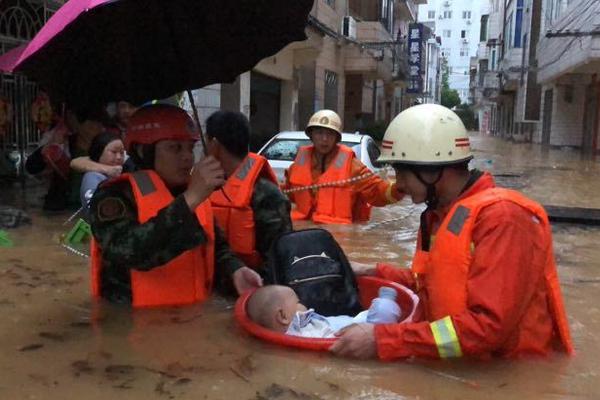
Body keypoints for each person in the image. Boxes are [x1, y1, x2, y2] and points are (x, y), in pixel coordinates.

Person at [330, 104, 574, 360]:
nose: (398, 184)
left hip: (502, 378)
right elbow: (430, 284)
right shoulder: (440, 216)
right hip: (463, 368)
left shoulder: (502, 218)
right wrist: (370, 270)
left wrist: (384, 340)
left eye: (401, 172)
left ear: (432, 170)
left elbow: (488, 329)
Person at [88, 104, 262, 307]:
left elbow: (216, 247)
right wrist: (191, 199)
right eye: (175, 148)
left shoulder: (191, 191)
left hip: (191, 317)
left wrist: (236, 270)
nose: (188, 157)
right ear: (143, 151)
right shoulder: (113, 196)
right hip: (132, 322)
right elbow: (129, 251)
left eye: (190, 147)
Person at [207, 110, 292, 271]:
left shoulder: (266, 194)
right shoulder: (203, 188)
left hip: (250, 288)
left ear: (214, 145)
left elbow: (280, 261)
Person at [284, 110, 401, 224]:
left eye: (330, 134)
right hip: (304, 231)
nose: (324, 139)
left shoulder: (353, 166)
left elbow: (377, 191)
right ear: (311, 135)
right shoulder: (298, 165)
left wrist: (400, 187)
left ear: (336, 138)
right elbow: (287, 194)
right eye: (319, 132)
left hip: (339, 234)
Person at [247, 285, 403, 338]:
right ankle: (386, 300)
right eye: (297, 302)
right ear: (283, 316)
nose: (302, 304)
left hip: (353, 321)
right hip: (362, 328)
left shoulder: (297, 326)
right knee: (384, 312)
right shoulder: (297, 329)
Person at [79, 132, 125, 218]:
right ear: (98, 153)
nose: (119, 157)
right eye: (113, 152)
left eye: (122, 153)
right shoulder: (92, 177)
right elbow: (93, 210)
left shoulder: (117, 174)